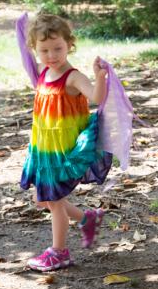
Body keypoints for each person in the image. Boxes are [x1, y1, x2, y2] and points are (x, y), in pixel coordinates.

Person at [21, 14, 112, 272]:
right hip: (44, 147)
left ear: (69, 44)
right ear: (35, 50)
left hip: (64, 149)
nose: (51, 55)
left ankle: (58, 252)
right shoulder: (42, 71)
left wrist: (100, 77)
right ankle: (87, 219)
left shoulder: (72, 78)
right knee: (45, 200)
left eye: (57, 48)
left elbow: (95, 97)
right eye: (44, 50)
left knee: (55, 201)